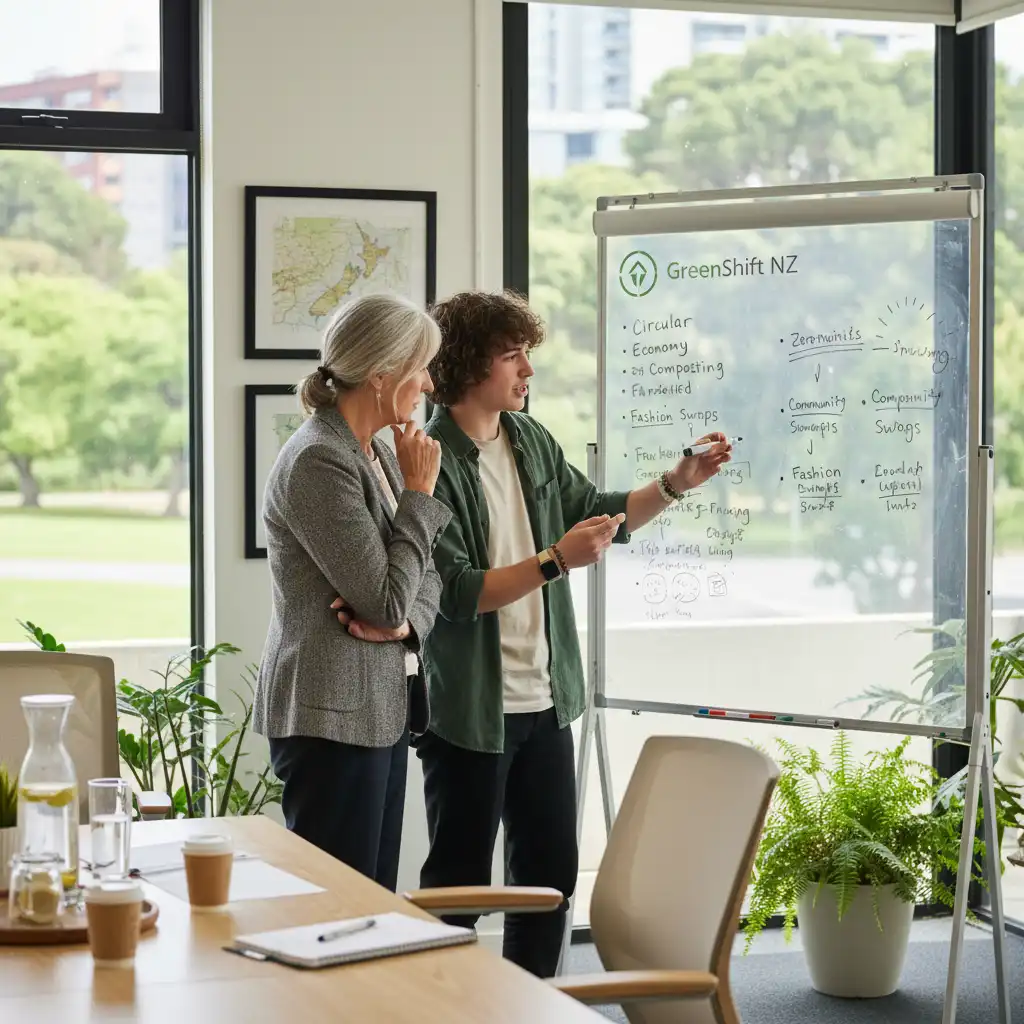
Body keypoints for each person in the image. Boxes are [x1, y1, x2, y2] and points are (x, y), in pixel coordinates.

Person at [419, 290, 731, 977]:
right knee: (456, 890)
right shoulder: (428, 459)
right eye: (512, 355)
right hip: (472, 713)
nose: (527, 369)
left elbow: (595, 513)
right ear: (470, 365)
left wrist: (677, 482)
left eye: (527, 354)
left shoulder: (529, 439)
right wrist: (556, 559)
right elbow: (458, 592)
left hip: (546, 703)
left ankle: (530, 1004)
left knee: (549, 885)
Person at [252, 292, 452, 891]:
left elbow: (426, 581)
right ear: (382, 375)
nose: (428, 384)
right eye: (420, 368)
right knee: (339, 912)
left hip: (377, 713)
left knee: (374, 906)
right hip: (329, 723)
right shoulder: (319, 460)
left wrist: (401, 626)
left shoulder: (376, 454)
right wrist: (419, 495)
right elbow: (388, 596)